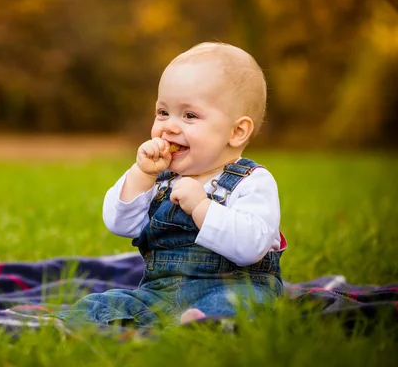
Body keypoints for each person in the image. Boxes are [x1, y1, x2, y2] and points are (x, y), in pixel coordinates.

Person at [59, 42, 287, 327]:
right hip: (159, 293)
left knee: (238, 306)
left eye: (189, 115)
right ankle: (94, 328)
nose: (169, 126)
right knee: (95, 305)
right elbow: (119, 224)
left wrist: (202, 207)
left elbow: (251, 246)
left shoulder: (252, 181)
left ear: (237, 131)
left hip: (234, 286)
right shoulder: (162, 178)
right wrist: (142, 174)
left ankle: (205, 325)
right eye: (163, 112)